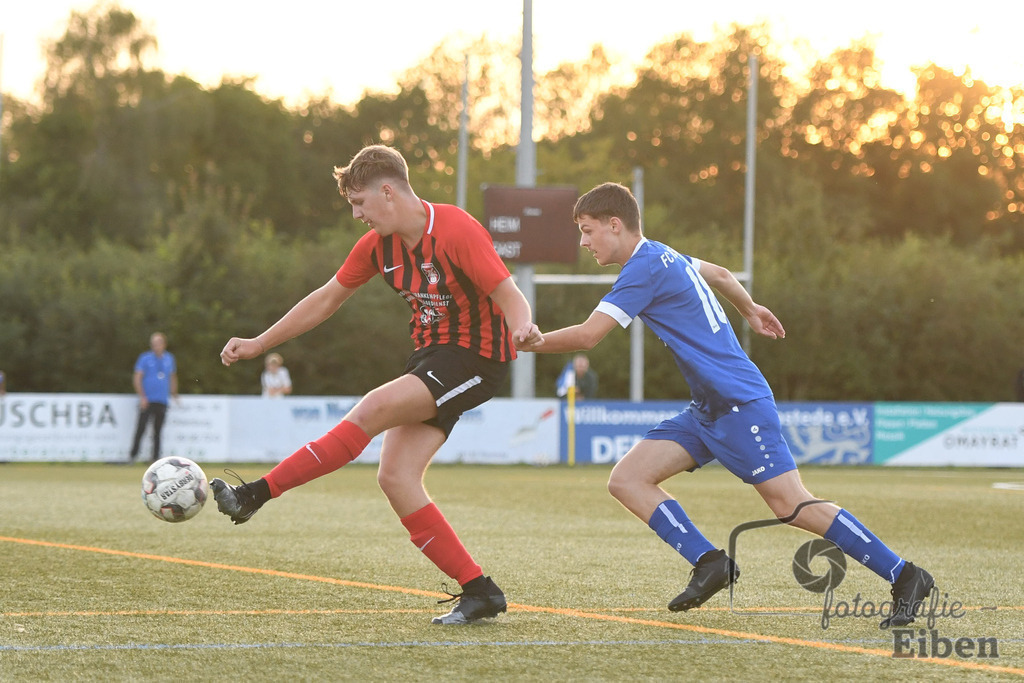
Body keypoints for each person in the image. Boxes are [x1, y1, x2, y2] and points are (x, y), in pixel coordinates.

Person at [515, 182, 934, 628]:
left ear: (615, 225)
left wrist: (525, 345)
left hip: (739, 403)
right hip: (707, 409)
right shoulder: (664, 254)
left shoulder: (643, 268)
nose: (583, 241)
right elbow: (720, 274)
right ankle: (711, 562)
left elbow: (587, 336)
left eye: (587, 230)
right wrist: (749, 308)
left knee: (791, 505)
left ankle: (906, 575)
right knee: (628, 479)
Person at [214, 144, 541, 625]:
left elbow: (509, 293)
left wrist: (522, 326)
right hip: (430, 359)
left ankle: (254, 495)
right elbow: (326, 300)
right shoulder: (376, 246)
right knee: (395, 478)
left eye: (360, 202)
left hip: (478, 358)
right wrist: (260, 343)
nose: (356, 214)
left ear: (388, 192)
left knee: (370, 409)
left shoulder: (455, 228)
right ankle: (480, 591)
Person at [129, 332, 178, 463]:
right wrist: (142, 397)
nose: (156, 346)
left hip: (162, 400)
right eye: (154, 343)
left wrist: (174, 393)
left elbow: (172, 377)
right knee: (141, 428)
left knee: (158, 431)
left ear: (164, 344)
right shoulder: (145, 358)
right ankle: (133, 456)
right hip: (147, 400)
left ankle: (155, 458)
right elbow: (137, 377)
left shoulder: (169, 358)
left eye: (159, 343)